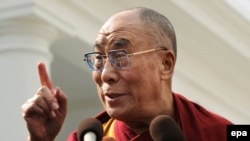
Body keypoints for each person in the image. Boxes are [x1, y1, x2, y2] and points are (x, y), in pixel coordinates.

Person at [21, 7, 232, 141]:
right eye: (99, 58)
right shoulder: (89, 137)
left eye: (120, 56)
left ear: (165, 64)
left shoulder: (222, 132)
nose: (105, 75)